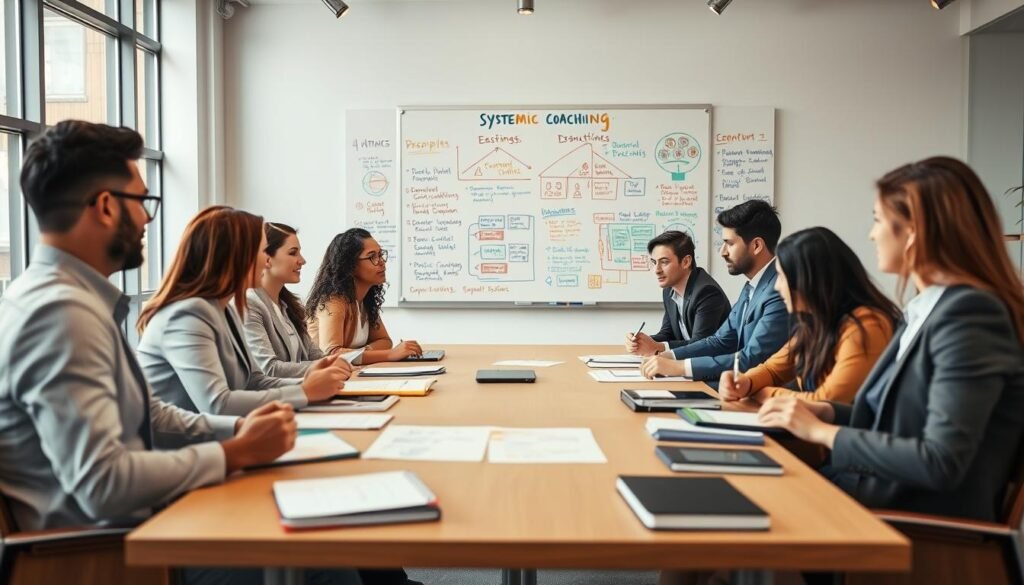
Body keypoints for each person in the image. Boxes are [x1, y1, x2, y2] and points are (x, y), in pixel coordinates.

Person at [0, 121, 294, 532]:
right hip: (111, 552)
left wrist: (241, 430)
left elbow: (149, 415)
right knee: (321, 561)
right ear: (105, 206)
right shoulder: (59, 314)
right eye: (141, 201)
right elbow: (102, 484)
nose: (147, 219)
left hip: (147, 524)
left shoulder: (69, 299)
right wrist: (234, 454)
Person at [758, 157, 1024, 522]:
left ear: (914, 231)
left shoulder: (969, 315)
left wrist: (823, 432)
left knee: (744, 507)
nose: (872, 233)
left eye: (878, 220)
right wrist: (829, 412)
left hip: (913, 522)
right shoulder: (927, 308)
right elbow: (897, 423)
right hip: (880, 496)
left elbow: (940, 460)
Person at [137, 206, 352, 417]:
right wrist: (305, 390)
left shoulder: (225, 310)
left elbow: (254, 381)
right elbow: (217, 404)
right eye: (262, 251)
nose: (266, 260)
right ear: (235, 256)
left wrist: (313, 382)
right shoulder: (187, 315)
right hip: (186, 447)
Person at [719, 227, 899, 404]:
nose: (777, 287)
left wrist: (761, 393)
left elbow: (826, 402)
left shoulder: (866, 325)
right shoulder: (814, 323)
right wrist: (746, 382)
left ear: (808, 281)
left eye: (782, 277)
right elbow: (773, 370)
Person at [641, 200, 789, 385]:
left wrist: (681, 367)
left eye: (729, 243)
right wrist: (668, 356)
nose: (722, 252)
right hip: (740, 386)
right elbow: (720, 341)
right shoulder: (752, 287)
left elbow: (751, 359)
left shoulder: (780, 291)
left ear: (756, 245)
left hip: (764, 396)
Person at [306, 228, 422, 364]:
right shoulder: (333, 301)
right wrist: (389, 355)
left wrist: (362, 353)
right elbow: (331, 353)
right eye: (372, 256)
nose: (381, 262)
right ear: (350, 265)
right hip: (323, 380)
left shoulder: (365, 299)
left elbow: (384, 341)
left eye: (380, 254)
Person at [625, 230, 730, 356]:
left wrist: (658, 347)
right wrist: (641, 341)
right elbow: (667, 334)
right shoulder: (669, 290)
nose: (656, 270)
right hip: (687, 364)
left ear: (686, 262)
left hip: (715, 371)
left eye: (664, 262)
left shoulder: (707, 292)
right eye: (654, 262)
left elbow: (701, 344)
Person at [244, 222, 328, 377]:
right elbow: (269, 369)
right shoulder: (250, 304)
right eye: (293, 253)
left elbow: (316, 356)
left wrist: (337, 364)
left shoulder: (288, 306)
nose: (302, 260)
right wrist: (325, 367)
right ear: (267, 259)